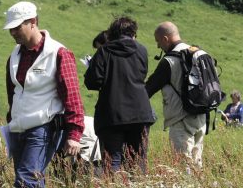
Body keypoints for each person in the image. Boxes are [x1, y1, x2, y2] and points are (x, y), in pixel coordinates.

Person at [3, 1, 85, 188]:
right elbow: (13, 94)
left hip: (43, 127)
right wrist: (11, 120)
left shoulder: (58, 53)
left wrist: (74, 133)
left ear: (32, 22)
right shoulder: (14, 56)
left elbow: (72, 95)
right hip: (18, 127)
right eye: (10, 28)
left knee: (25, 178)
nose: (13, 32)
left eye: (17, 27)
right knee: (34, 179)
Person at [84, 16, 155, 173]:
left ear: (113, 33)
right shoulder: (142, 50)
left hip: (112, 112)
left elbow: (92, 82)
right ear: (133, 32)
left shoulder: (104, 51)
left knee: (112, 160)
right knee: (138, 160)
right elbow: (141, 74)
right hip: (140, 112)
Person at [145, 21, 207, 166]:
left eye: (158, 42)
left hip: (181, 120)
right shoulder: (199, 52)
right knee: (197, 163)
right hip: (202, 117)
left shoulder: (170, 61)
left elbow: (148, 89)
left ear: (165, 39)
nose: (158, 46)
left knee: (183, 165)